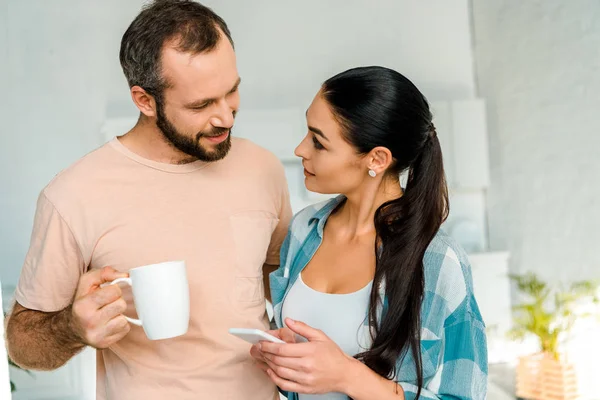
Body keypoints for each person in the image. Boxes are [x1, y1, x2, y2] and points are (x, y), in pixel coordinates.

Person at [6, 1, 291, 399]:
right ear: (144, 100)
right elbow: (22, 345)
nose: (225, 117)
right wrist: (73, 329)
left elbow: (282, 285)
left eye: (232, 92)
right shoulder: (73, 195)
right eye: (201, 105)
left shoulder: (263, 168)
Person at [251, 66, 488, 400]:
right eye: (307, 132)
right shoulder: (305, 230)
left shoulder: (436, 260)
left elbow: (463, 395)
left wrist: (348, 376)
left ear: (376, 159)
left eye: (319, 142)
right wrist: (281, 359)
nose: (300, 149)